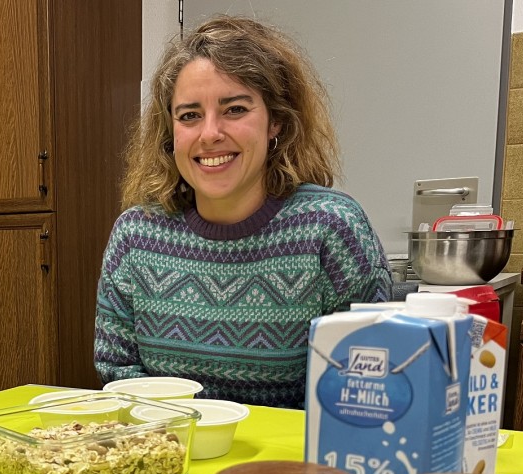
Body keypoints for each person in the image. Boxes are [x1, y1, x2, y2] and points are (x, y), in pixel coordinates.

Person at [94, 16, 392, 409]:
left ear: (277, 122)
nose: (210, 133)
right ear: (171, 133)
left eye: (234, 109)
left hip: (292, 463)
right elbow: (117, 373)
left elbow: (366, 386)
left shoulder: (331, 228)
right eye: (189, 115)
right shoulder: (136, 235)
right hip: (175, 455)